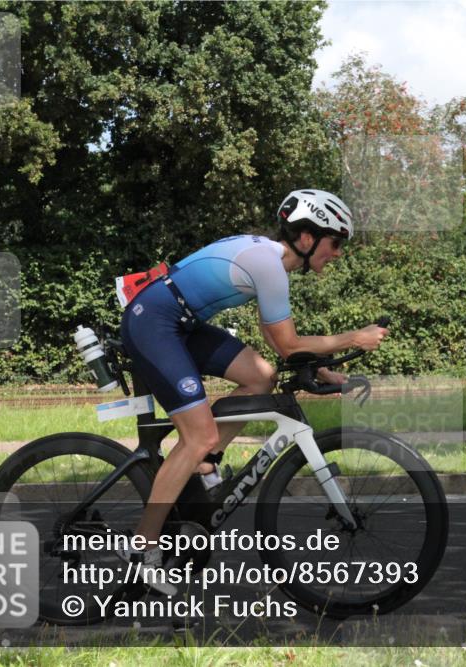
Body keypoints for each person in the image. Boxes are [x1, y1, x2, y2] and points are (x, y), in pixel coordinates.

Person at [117, 189, 387, 594]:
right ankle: (142, 548)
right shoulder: (269, 265)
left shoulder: (272, 262)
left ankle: (201, 463)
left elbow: (275, 339)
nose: (338, 253)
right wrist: (353, 337)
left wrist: (323, 368)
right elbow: (289, 345)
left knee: (261, 377)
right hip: (154, 322)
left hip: (178, 322)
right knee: (199, 435)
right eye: (336, 243)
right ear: (308, 236)